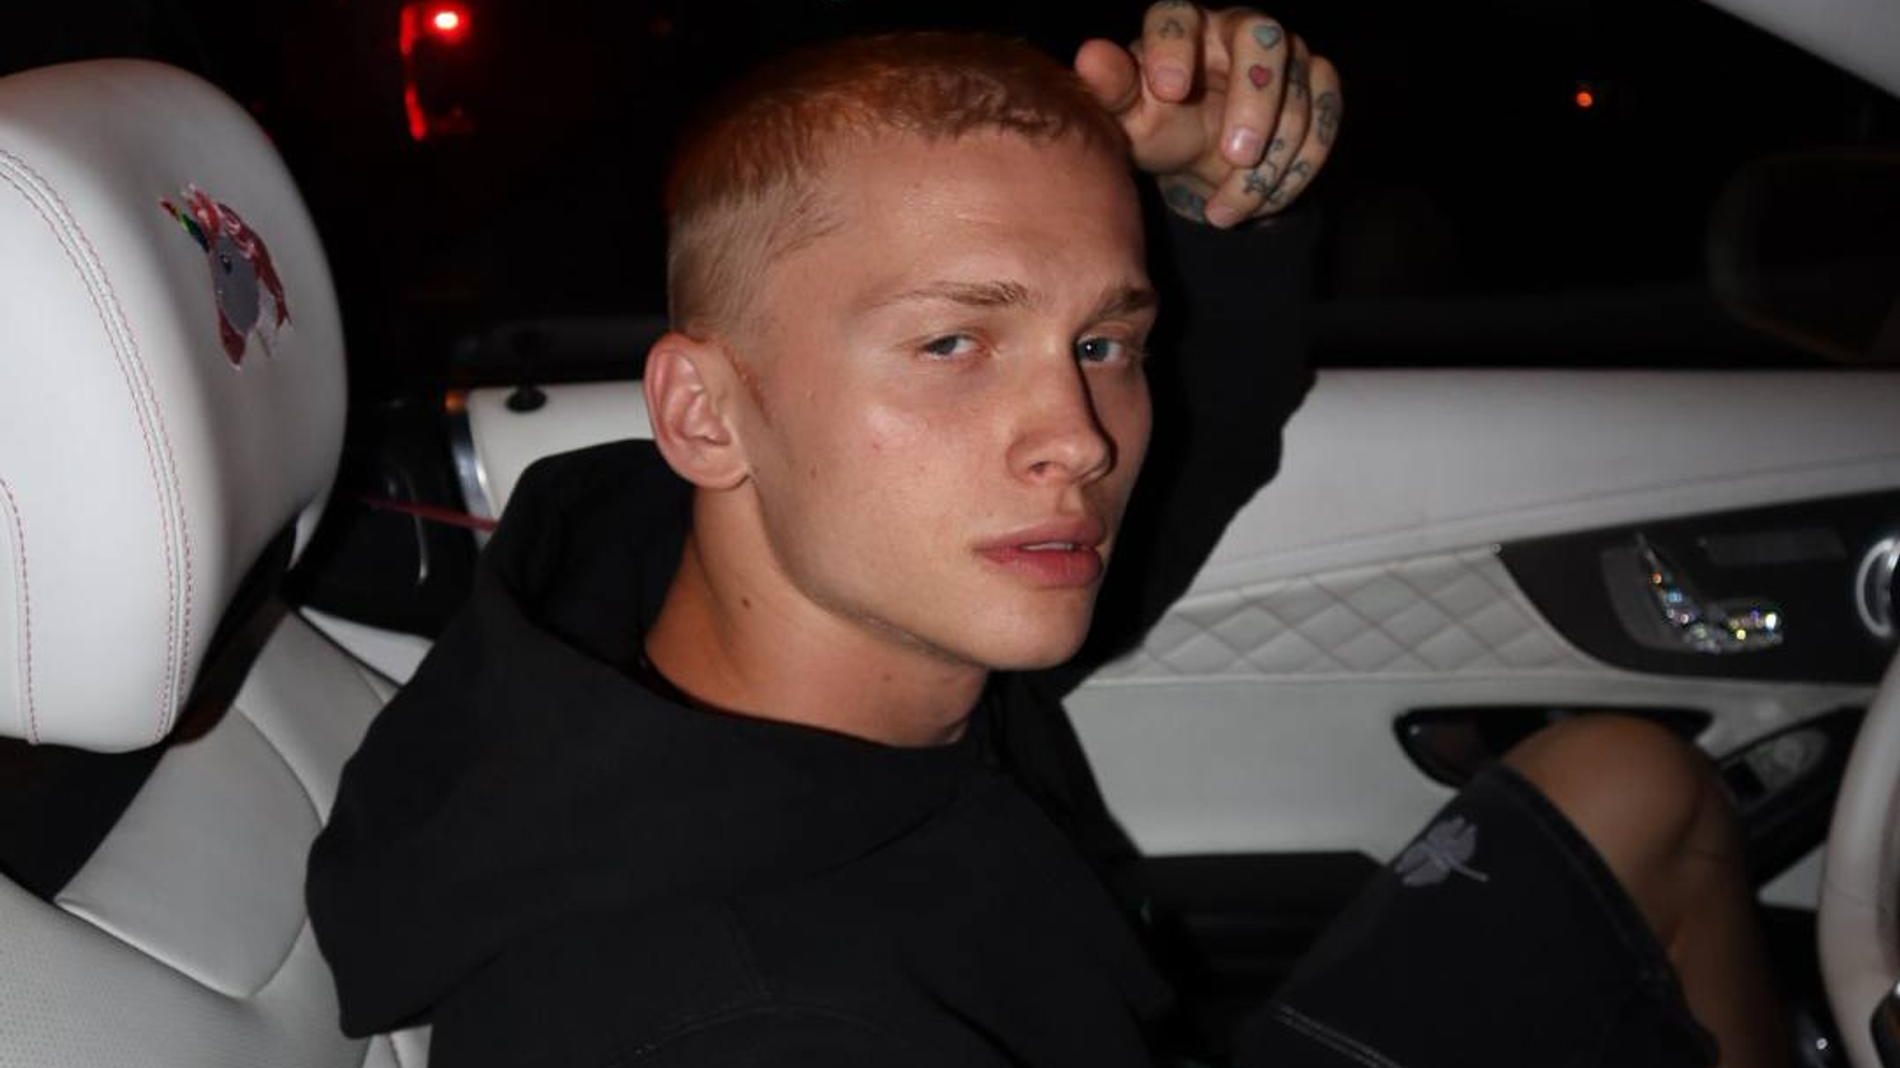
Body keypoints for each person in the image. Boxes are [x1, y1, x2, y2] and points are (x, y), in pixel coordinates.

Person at [308, 8, 1787, 1067]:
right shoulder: (740, 1019)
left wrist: (1219, 205)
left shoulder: (702, 581)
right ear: (704, 412)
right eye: (952, 343)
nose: (1078, 438)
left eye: (1104, 344)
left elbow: (1198, 439)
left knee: (1635, 781)